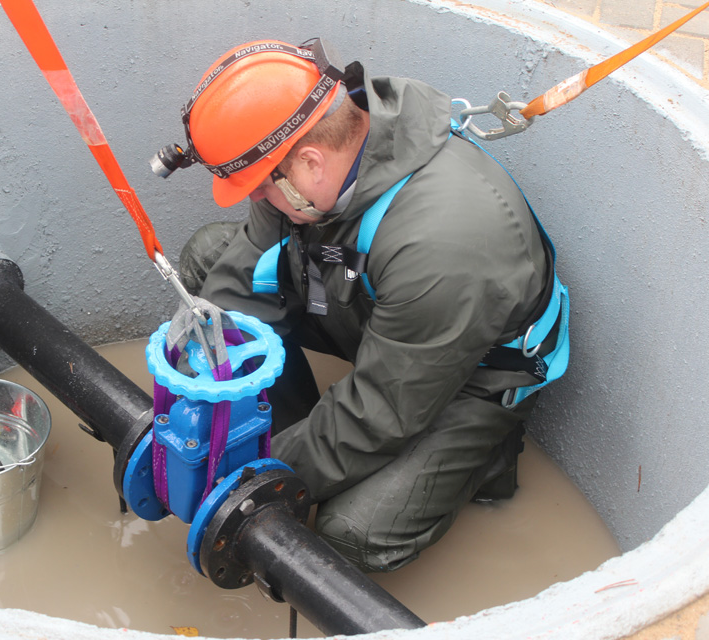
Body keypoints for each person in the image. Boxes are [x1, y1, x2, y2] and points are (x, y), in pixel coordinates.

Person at [160, 38, 569, 572]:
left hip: (469, 377)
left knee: (348, 533)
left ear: (308, 163)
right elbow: (243, 270)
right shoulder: (318, 153)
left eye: (259, 187)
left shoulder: (445, 241)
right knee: (209, 268)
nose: (255, 199)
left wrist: (251, 478)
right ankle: (294, 431)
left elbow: (382, 409)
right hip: (380, 313)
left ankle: (481, 459)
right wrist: (199, 400)